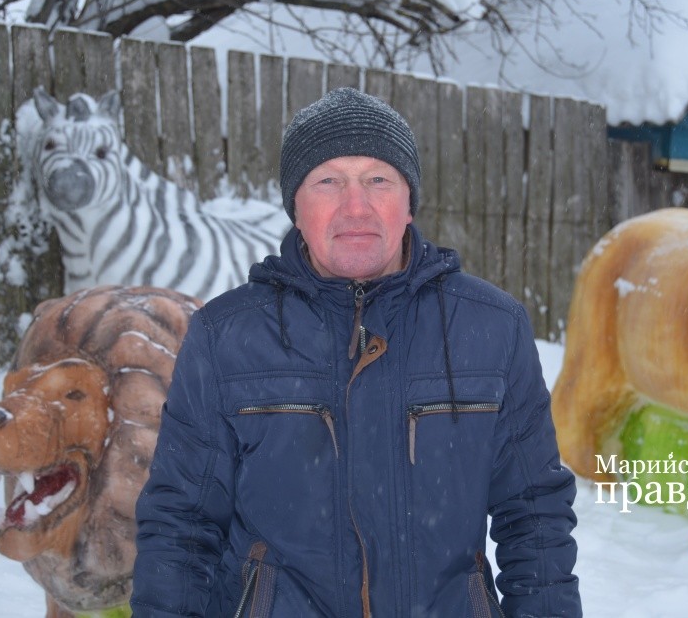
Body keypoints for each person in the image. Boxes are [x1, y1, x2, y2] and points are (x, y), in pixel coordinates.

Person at [131, 87, 581, 617]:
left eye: (378, 180)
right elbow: (181, 525)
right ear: (295, 206)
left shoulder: (492, 327)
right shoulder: (226, 335)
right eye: (328, 181)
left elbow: (534, 517)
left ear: (408, 202)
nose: (356, 206)